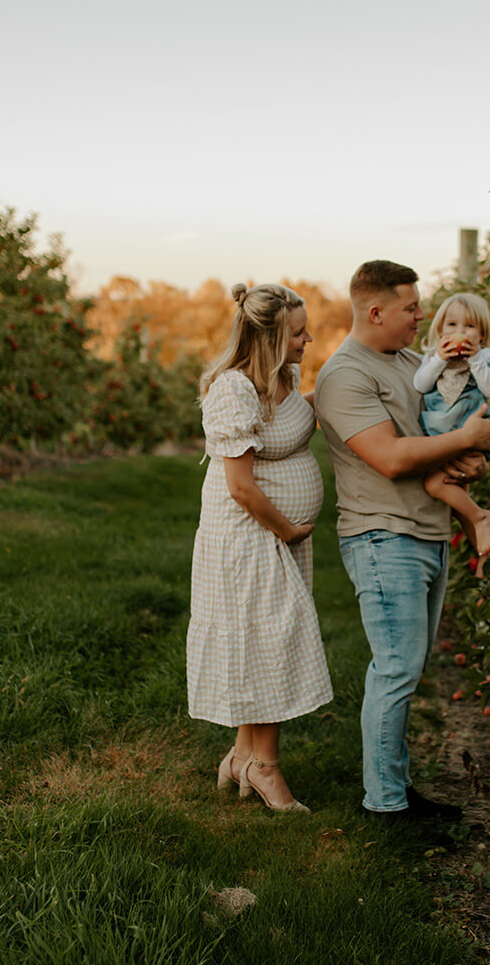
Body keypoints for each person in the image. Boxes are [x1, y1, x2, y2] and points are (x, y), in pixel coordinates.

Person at [313, 260, 490, 825]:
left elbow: (448, 425)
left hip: (426, 529)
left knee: (407, 670)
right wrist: (464, 439)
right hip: (382, 537)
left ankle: (395, 786)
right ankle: (385, 803)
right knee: (395, 669)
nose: (424, 317)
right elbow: (391, 457)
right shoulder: (345, 376)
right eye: (412, 308)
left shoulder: (418, 362)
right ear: (376, 311)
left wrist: (473, 454)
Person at [188, 282, 331, 814]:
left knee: (262, 638)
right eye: (298, 334)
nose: (308, 340)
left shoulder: (283, 378)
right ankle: (265, 767)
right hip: (250, 535)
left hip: (271, 535)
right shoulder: (233, 390)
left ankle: (244, 754)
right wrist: (288, 530)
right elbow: (241, 486)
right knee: (271, 641)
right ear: (269, 337)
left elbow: (296, 421)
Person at [412, 291, 490, 573]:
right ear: (440, 330)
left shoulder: (484, 357)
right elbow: (420, 384)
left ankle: (480, 519)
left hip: (468, 432)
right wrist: (439, 358)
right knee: (453, 493)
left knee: (435, 484)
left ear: (482, 336)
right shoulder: (432, 357)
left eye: (470, 327)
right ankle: (483, 549)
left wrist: (475, 361)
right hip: (442, 436)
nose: (460, 332)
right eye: (452, 325)